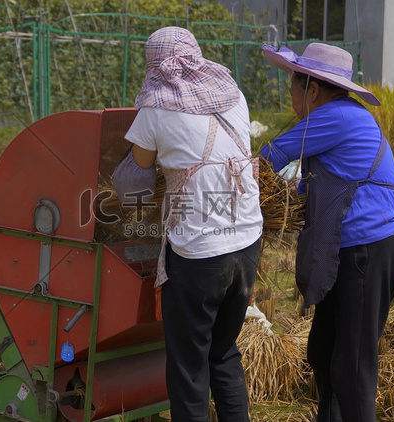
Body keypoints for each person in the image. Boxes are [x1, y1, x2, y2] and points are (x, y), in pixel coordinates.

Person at [112, 26, 263, 422]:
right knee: (223, 351)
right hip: (248, 244)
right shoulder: (233, 95)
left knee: (189, 367)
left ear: (155, 65)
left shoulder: (157, 106)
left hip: (200, 255)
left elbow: (136, 180)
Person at [259, 43, 394, 422]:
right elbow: (310, 188)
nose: (290, 96)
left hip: (366, 253)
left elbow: (269, 157)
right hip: (352, 251)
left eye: (293, 87)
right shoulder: (340, 117)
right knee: (323, 351)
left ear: (312, 89)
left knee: (352, 368)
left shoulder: (335, 116)